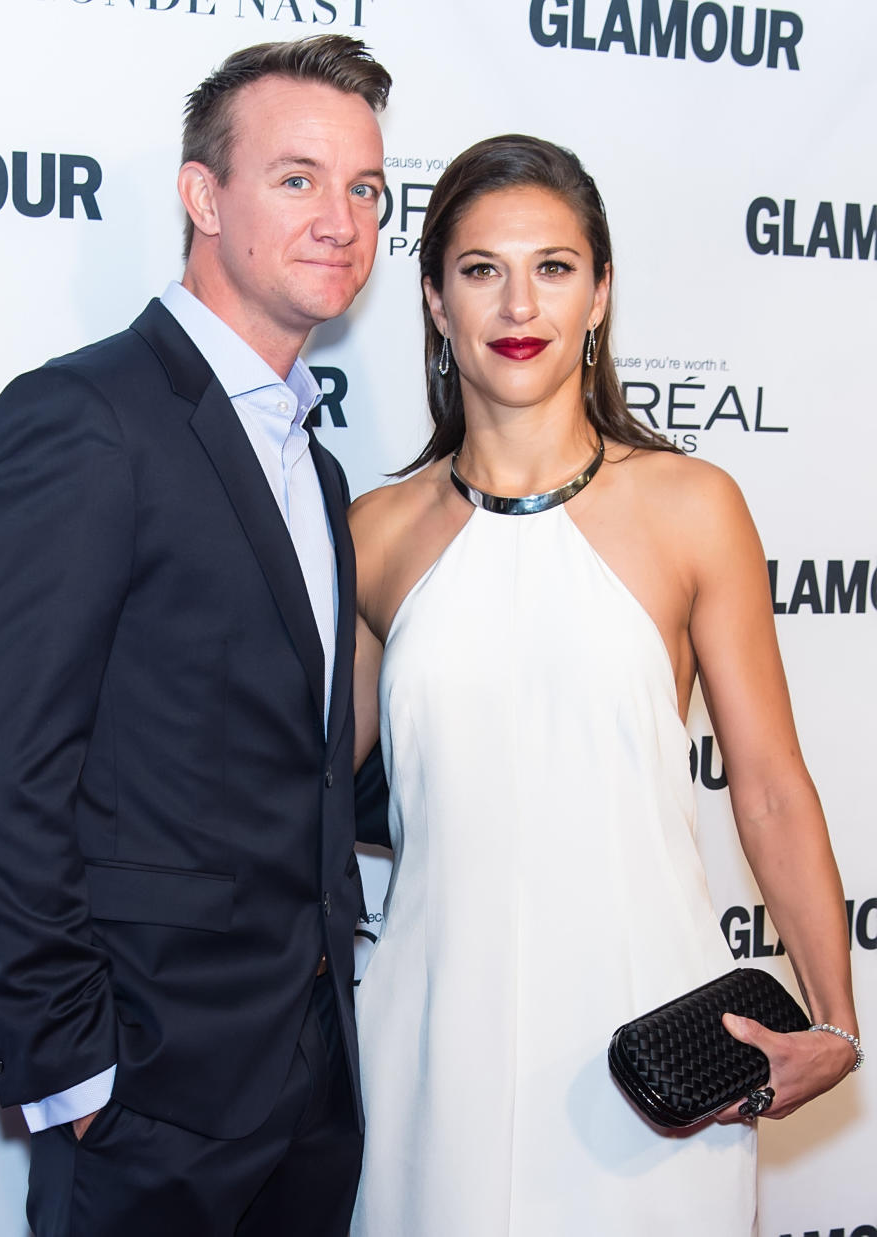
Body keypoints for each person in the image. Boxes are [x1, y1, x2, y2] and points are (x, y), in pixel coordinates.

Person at [348, 135, 861, 1234]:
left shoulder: (691, 505)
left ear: (601, 293)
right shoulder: (375, 535)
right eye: (481, 268)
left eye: (554, 265)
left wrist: (836, 1019)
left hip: (651, 1057)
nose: (517, 301)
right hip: (433, 1045)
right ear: (436, 300)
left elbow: (768, 783)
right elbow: (283, 795)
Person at [0, 35, 390, 1237]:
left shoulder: (319, 464)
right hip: (149, 1098)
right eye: (296, 178)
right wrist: (78, 1076)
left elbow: (293, 760)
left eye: (365, 188)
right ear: (203, 196)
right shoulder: (87, 418)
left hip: (308, 1090)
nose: (340, 218)